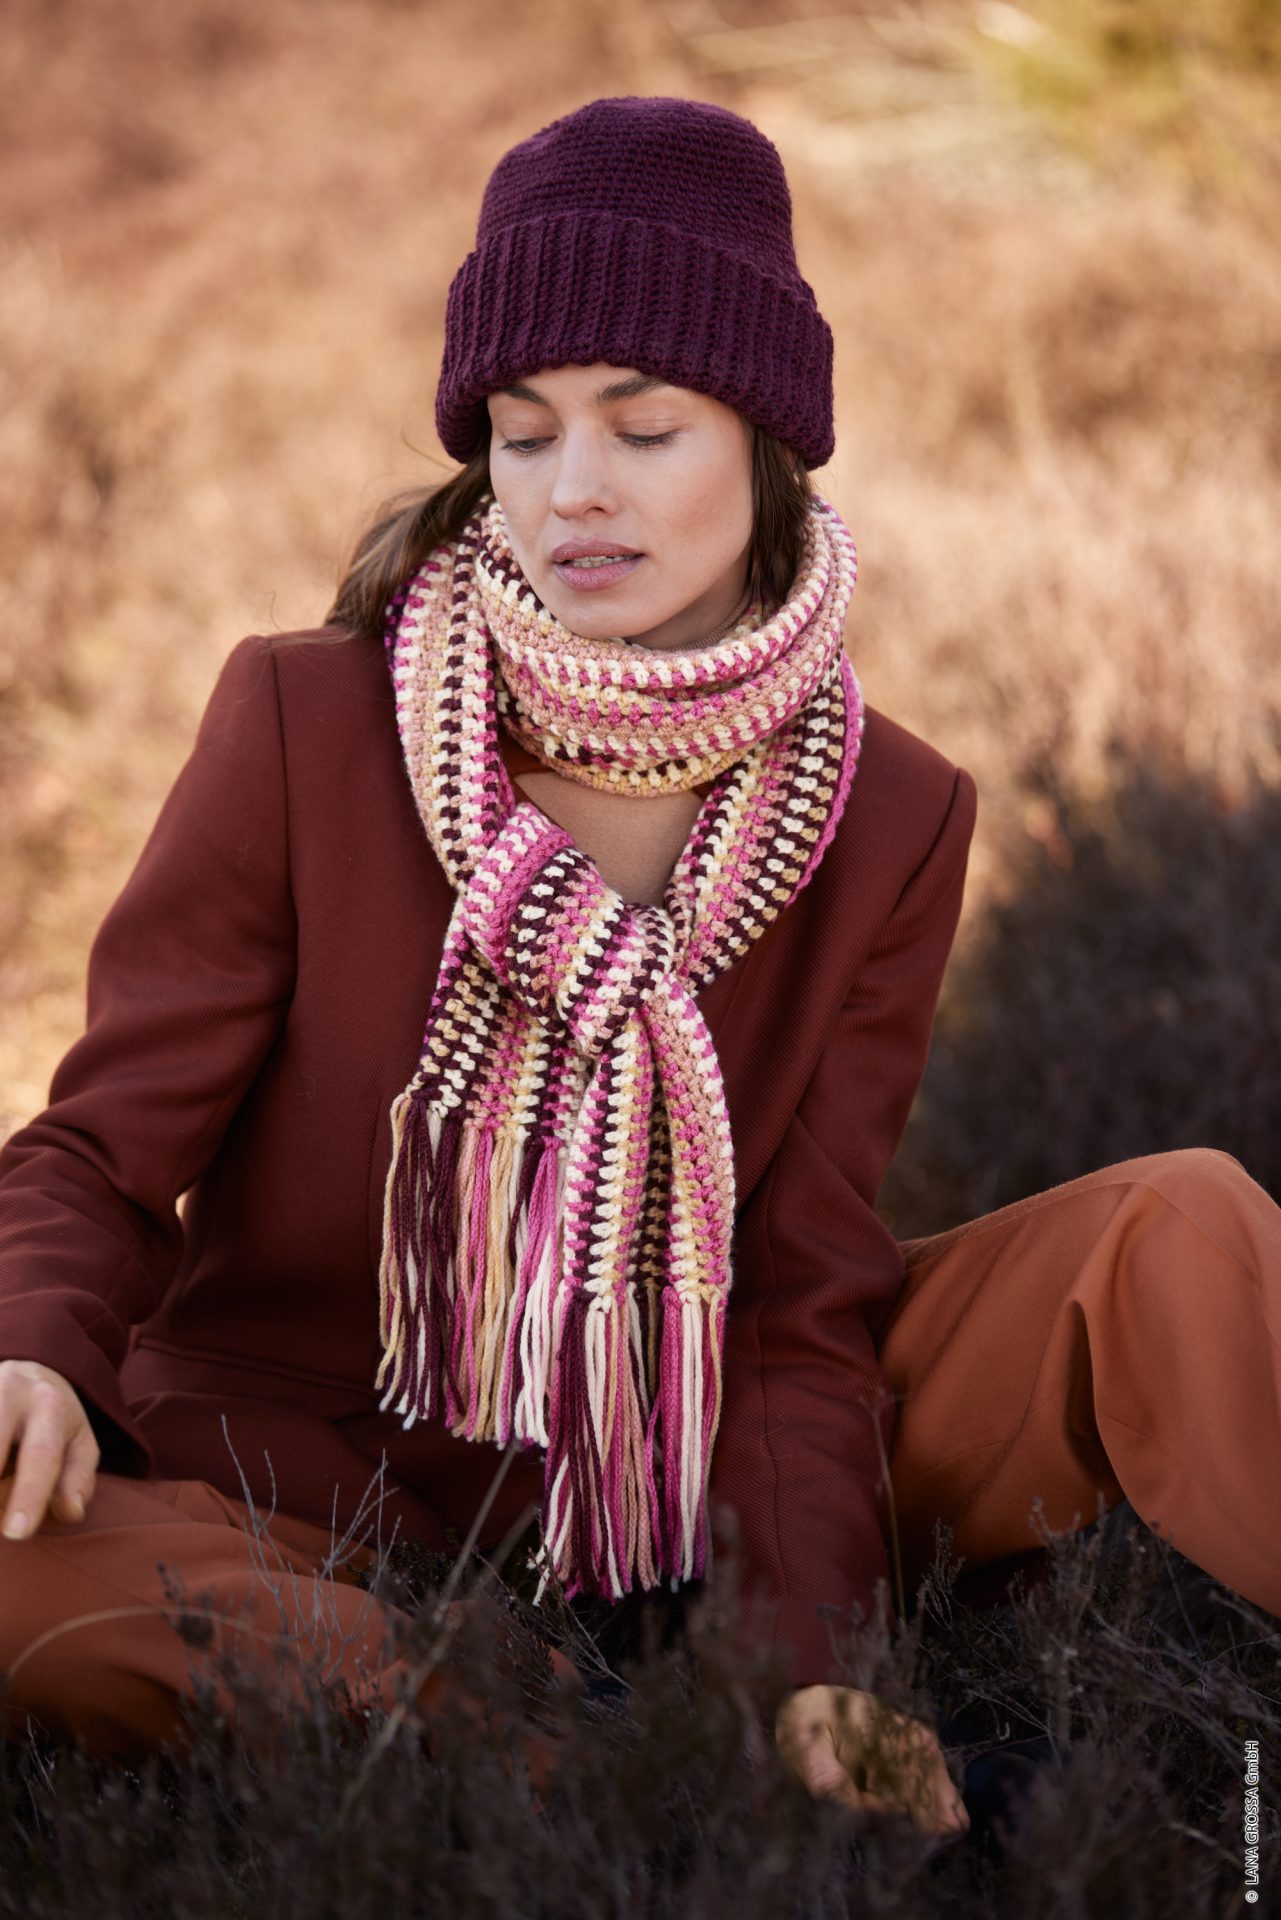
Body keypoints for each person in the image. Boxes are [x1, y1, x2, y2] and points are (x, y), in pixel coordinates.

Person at [2, 94, 1279, 1849]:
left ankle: (717, 1718)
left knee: (1180, 1223)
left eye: (643, 425)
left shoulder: (890, 812)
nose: (572, 491)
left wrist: (814, 1654)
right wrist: (33, 1354)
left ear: (764, 437)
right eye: (521, 436)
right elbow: (96, 1151)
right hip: (284, 1487)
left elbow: (797, 1294)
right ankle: (608, 1756)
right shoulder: (307, 720)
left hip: (683, 1480)